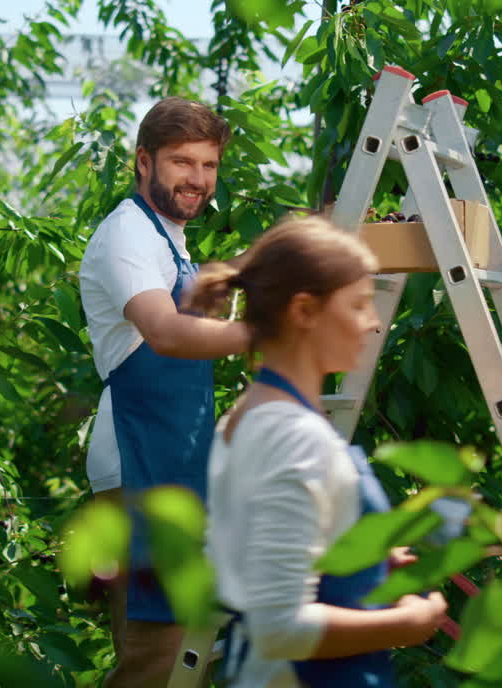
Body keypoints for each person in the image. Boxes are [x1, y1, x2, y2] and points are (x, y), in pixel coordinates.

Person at [186, 217, 449, 687]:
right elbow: (279, 628)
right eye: (359, 305)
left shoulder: (250, 414)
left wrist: (363, 562)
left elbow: (253, 556)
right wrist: (413, 622)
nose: (372, 323)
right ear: (304, 311)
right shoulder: (292, 435)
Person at [78, 97, 250, 688]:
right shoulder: (127, 233)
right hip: (138, 460)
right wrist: (269, 333)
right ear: (143, 161)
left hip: (171, 458)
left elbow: (196, 298)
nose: (197, 180)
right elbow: (166, 330)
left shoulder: (167, 237)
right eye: (182, 162)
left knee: (181, 658)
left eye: (208, 165)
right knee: (155, 657)